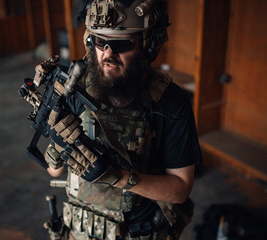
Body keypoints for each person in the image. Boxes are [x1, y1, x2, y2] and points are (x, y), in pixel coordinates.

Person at [44, 0, 202, 239]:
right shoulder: (76, 89)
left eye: (121, 43)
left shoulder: (170, 102)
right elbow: (54, 172)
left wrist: (119, 177)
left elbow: (180, 188)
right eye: (100, 41)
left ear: (148, 45)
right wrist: (58, 144)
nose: (108, 53)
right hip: (81, 229)